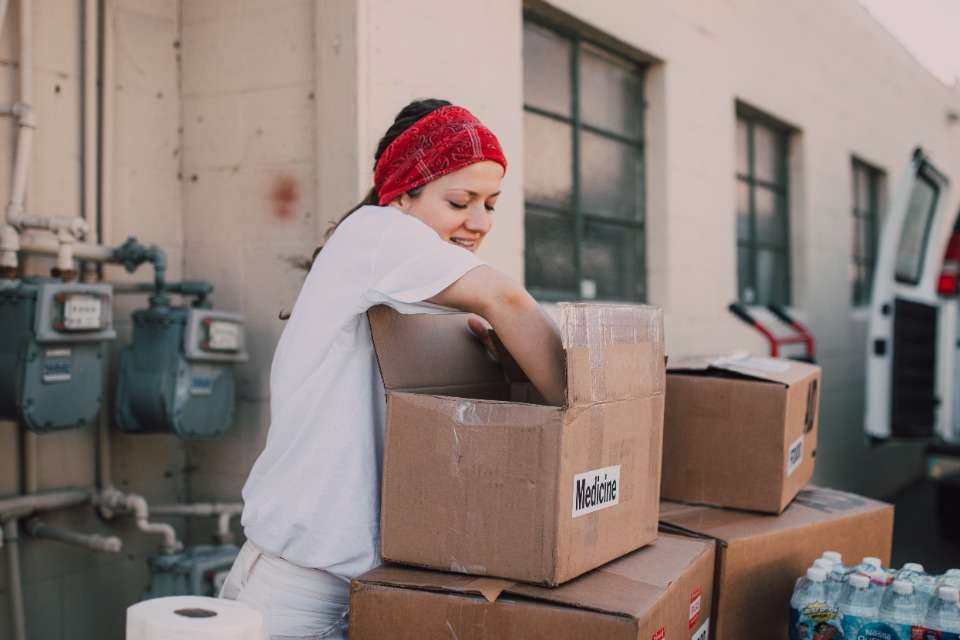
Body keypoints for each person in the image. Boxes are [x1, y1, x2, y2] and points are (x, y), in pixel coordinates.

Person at [218, 98, 565, 639]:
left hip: (361, 583)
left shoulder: (420, 286)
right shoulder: (375, 232)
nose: (479, 222)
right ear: (402, 193)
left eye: (491, 204)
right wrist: (593, 419)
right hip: (300, 590)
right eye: (460, 200)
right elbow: (509, 300)